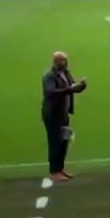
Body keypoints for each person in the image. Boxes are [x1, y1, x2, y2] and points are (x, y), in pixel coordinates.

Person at [42, 51, 87, 182]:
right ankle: (54, 171)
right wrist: (70, 89)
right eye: (63, 61)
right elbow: (51, 92)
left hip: (63, 113)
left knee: (63, 141)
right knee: (55, 142)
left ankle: (60, 168)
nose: (65, 63)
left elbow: (72, 86)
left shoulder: (66, 73)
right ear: (56, 62)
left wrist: (81, 86)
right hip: (52, 115)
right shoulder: (49, 76)